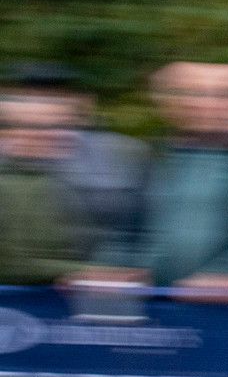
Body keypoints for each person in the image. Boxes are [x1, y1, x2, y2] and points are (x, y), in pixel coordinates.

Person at [79, 62, 228, 298]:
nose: (204, 104)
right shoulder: (154, 156)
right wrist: (112, 267)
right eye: (190, 94)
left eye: (225, 95)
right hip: (159, 302)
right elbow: (130, 227)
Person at [5, 64, 146, 245]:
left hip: (103, 267)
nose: (42, 105)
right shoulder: (8, 158)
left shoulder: (123, 153)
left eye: (55, 97)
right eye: (33, 97)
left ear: (81, 103)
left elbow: (139, 229)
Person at [0, 91, 93, 285]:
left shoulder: (59, 179)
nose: (47, 134)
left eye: (56, 126)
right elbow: (12, 263)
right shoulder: (8, 183)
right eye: (34, 127)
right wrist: (92, 273)